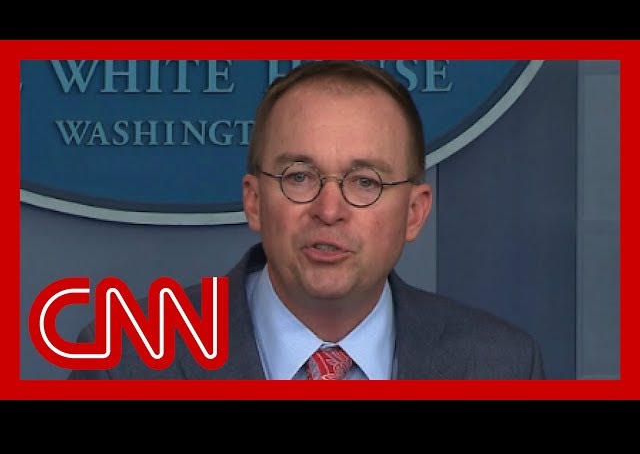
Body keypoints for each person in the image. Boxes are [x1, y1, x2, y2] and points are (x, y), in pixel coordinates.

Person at [68, 60, 545, 380]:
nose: (329, 210)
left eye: (365, 182)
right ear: (254, 201)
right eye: (299, 176)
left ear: (414, 213)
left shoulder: (502, 367)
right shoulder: (125, 360)